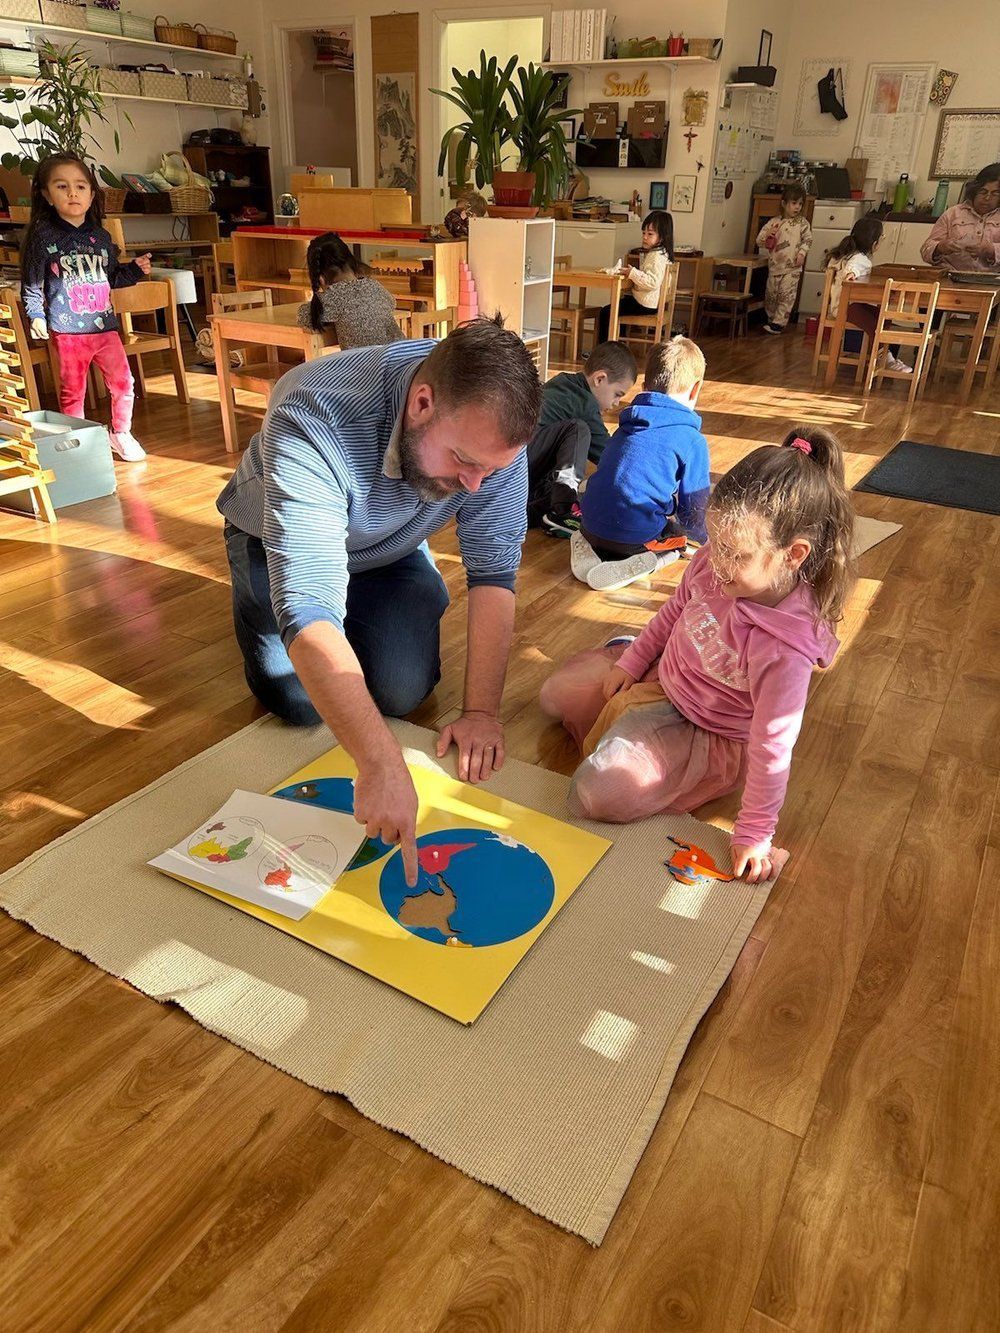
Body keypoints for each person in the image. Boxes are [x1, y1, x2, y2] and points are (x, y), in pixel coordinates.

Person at [217, 316, 541, 886]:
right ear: (421, 403)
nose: (476, 485)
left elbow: (494, 574)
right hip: (277, 539)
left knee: (401, 690)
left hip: (387, 546)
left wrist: (482, 713)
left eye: (493, 469)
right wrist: (379, 761)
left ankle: (404, 583)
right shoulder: (313, 410)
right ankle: (253, 589)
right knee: (296, 700)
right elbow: (308, 605)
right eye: (465, 461)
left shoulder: (488, 444)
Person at [541, 425, 855, 884]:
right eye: (715, 543)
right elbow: (673, 614)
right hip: (662, 675)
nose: (716, 563)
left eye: (735, 554)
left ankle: (635, 741)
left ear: (793, 555)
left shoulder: (784, 647)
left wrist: (754, 832)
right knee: (553, 698)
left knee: (595, 793)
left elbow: (773, 746)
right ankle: (623, 661)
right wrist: (632, 662)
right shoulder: (716, 561)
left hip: (708, 731)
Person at [20, 152, 152, 461]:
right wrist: (35, 314)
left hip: (104, 327)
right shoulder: (43, 236)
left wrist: (134, 269)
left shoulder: (101, 238)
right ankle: (78, 442)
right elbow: (31, 281)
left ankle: (120, 433)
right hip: (67, 331)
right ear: (46, 194)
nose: (72, 193)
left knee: (123, 382)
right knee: (73, 390)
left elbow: (111, 277)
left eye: (80, 187)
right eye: (62, 186)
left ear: (92, 195)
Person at [570, 336, 710, 593]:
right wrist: (702, 540)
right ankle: (647, 562)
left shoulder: (626, 425)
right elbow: (695, 509)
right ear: (695, 389)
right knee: (679, 540)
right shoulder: (692, 440)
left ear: (645, 386)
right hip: (635, 539)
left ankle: (586, 544)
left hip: (589, 524)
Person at [526, 341, 637, 535]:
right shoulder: (584, 404)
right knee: (578, 429)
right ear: (600, 379)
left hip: (517, 471)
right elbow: (609, 455)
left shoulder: (564, 382)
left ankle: (549, 509)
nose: (616, 403)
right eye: (617, 394)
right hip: (519, 462)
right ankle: (563, 510)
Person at [825, 215, 910, 374]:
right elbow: (853, 268)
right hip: (846, 307)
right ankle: (886, 357)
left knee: (882, 317)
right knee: (875, 325)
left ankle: (881, 353)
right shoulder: (859, 259)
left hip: (846, 305)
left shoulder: (845, 254)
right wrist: (851, 274)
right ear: (874, 243)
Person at [297, 231, 404, 348]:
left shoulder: (334, 297)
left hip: (372, 364)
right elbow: (392, 302)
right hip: (404, 355)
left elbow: (303, 315)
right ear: (352, 261)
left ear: (321, 279)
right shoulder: (374, 285)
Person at [597, 209, 673, 342]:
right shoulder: (663, 254)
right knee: (620, 304)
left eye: (650, 234)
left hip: (645, 303)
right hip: (650, 302)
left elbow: (653, 282)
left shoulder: (656, 257)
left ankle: (604, 350)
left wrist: (633, 273)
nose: (644, 237)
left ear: (661, 237)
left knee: (606, 312)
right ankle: (617, 345)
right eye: (644, 233)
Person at [920, 163, 1000, 272]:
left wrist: (991, 250)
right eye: (983, 191)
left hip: (990, 282)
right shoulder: (953, 213)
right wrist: (939, 247)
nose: (987, 198)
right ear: (975, 190)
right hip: (949, 276)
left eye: (995, 193)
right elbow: (925, 249)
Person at [756, 182, 812, 334]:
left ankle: (779, 323)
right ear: (784, 203)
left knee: (787, 295)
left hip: (792, 268)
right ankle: (771, 318)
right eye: (794, 203)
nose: (797, 207)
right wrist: (768, 235)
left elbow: (808, 240)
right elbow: (760, 241)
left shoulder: (802, 224)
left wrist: (802, 253)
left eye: (800, 204)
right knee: (772, 294)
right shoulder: (774, 222)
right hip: (775, 266)